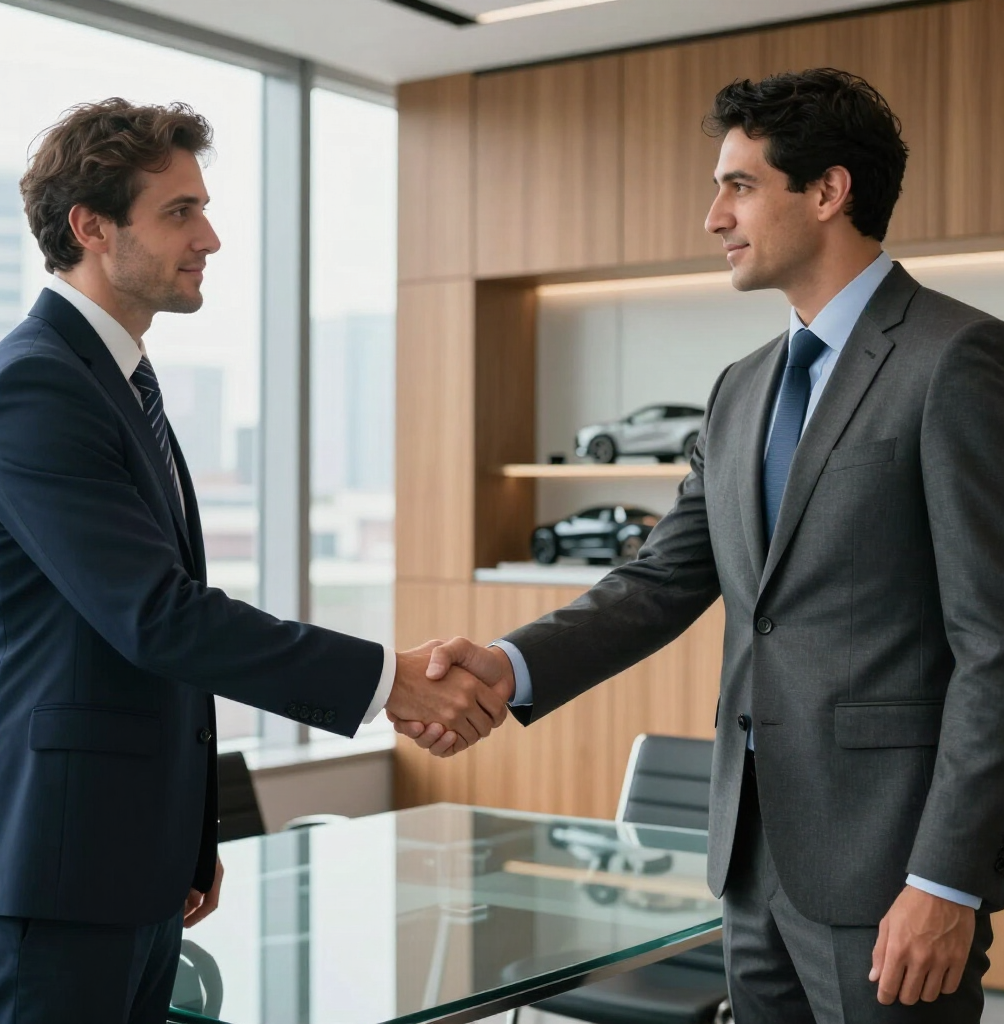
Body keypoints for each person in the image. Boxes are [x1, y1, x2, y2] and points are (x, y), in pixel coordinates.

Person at [393, 69, 1004, 1022]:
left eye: (739, 184)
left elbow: (994, 646)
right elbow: (659, 581)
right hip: (751, 863)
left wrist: (948, 881)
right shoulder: (740, 388)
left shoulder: (955, 359)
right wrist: (506, 668)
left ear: (829, 191)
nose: (714, 216)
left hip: (891, 871)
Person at [0, 98, 505, 1024]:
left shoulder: (117, 380)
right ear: (90, 227)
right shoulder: (37, 384)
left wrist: (183, 836)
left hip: (125, 864)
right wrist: (394, 681)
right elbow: (159, 616)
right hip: (54, 876)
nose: (211, 237)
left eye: (205, 208)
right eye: (179, 211)